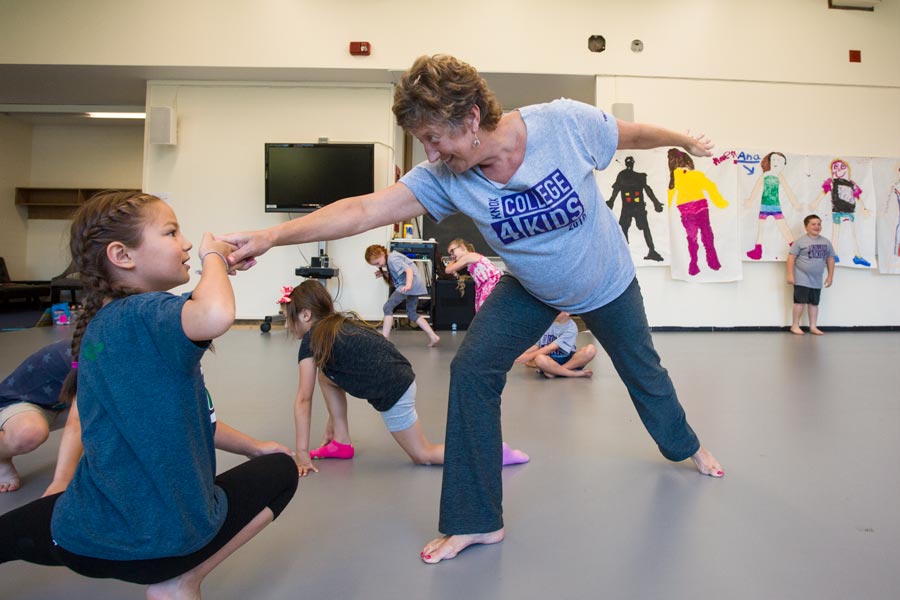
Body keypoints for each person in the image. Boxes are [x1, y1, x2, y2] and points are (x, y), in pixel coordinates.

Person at [218, 54, 724, 565]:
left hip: (608, 282)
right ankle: (476, 520)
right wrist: (271, 236)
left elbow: (631, 133)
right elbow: (364, 209)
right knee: (472, 368)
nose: (431, 152)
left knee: (644, 372)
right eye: (422, 141)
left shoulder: (563, 123)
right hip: (532, 288)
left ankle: (686, 446)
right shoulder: (444, 176)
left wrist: (682, 140)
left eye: (435, 138)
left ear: (472, 117)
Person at [0, 190, 299, 599]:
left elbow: (188, 420)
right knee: (282, 471)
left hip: (85, 535)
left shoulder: (106, 327)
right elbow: (215, 314)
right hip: (173, 542)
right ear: (123, 255)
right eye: (172, 232)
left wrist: (251, 446)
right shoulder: (146, 313)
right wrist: (213, 258)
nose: (188, 242)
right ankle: (181, 581)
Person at [280, 280, 528, 475]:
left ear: (305, 315)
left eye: (287, 317)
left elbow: (303, 399)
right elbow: (334, 378)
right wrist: (332, 425)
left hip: (394, 389)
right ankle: (341, 442)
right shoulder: (335, 326)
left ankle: (492, 454)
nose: (286, 326)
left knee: (423, 454)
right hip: (399, 373)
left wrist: (301, 452)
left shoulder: (311, 340)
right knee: (326, 376)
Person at [0, 339, 73, 493]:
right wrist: (62, 481)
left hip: (63, 402)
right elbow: (77, 423)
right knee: (30, 433)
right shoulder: (87, 354)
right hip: (21, 403)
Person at [667, 148, 728, 276]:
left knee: (692, 237)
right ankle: (712, 260)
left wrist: (664, 208)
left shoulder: (674, 178)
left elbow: (670, 195)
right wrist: (720, 201)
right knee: (706, 234)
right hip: (700, 206)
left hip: (686, 209)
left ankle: (694, 263)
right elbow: (711, 186)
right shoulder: (696, 175)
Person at [365, 243, 440, 346]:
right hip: (414, 285)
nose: (378, 266)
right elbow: (398, 274)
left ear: (382, 253)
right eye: (375, 265)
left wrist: (408, 285)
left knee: (387, 307)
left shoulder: (392, 259)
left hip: (408, 286)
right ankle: (433, 336)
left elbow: (408, 271)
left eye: (377, 263)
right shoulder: (391, 259)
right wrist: (384, 273)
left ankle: (384, 339)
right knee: (412, 314)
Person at [810, 158, 871, 267]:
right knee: (836, 234)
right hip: (837, 211)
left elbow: (857, 196)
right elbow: (824, 192)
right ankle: (834, 255)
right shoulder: (832, 182)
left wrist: (864, 208)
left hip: (850, 212)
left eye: (842, 167)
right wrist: (815, 202)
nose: (839, 170)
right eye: (836, 168)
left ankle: (857, 256)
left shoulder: (852, 184)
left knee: (852, 235)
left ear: (847, 169)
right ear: (832, 171)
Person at [744, 151, 801, 260]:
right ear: (770, 162)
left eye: (780, 160)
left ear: (784, 164)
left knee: (783, 227)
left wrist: (795, 203)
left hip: (775, 206)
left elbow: (788, 189)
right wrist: (751, 200)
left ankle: (795, 249)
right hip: (764, 205)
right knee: (761, 228)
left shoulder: (779, 176)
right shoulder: (765, 175)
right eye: (774, 159)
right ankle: (758, 251)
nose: (776, 162)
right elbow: (756, 187)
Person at [607, 156, 665, 262]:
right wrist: (611, 201)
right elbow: (617, 189)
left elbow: (647, 190)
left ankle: (650, 251)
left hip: (634, 207)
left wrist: (656, 203)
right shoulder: (632, 176)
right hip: (632, 207)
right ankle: (625, 253)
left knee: (631, 228)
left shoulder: (628, 176)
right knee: (626, 229)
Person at [787, 214, 835, 336]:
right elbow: (791, 258)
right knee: (800, 302)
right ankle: (795, 325)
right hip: (801, 277)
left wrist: (830, 276)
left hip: (817, 279)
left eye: (819, 224)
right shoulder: (800, 242)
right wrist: (790, 275)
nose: (817, 226)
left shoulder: (826, 242)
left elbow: (830, 259)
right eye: (813, 224)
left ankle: (813, 326)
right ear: (806, 227)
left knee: (814, 303)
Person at [514, 312, 596, 378]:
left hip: (568, 359)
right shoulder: (547, 324)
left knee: (591, 349)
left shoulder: (571, 327)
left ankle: (556, 371)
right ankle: (571, 373)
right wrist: (520, 354)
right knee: (540, 359)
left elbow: (552, 348)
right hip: (550, 359)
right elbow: (537, 345)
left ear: (567, 312)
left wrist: (528, 357)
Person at [443, 238, 502, 312]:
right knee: (480, 310)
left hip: (491, 282)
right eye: (450, 254)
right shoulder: (468, 260)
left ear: (462, 247)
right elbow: (453, 270)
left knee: (485, 311)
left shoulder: (469, 256)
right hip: (484, 284)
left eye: (452, 251)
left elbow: (448, 270)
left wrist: (452, 260)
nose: (452, 255)